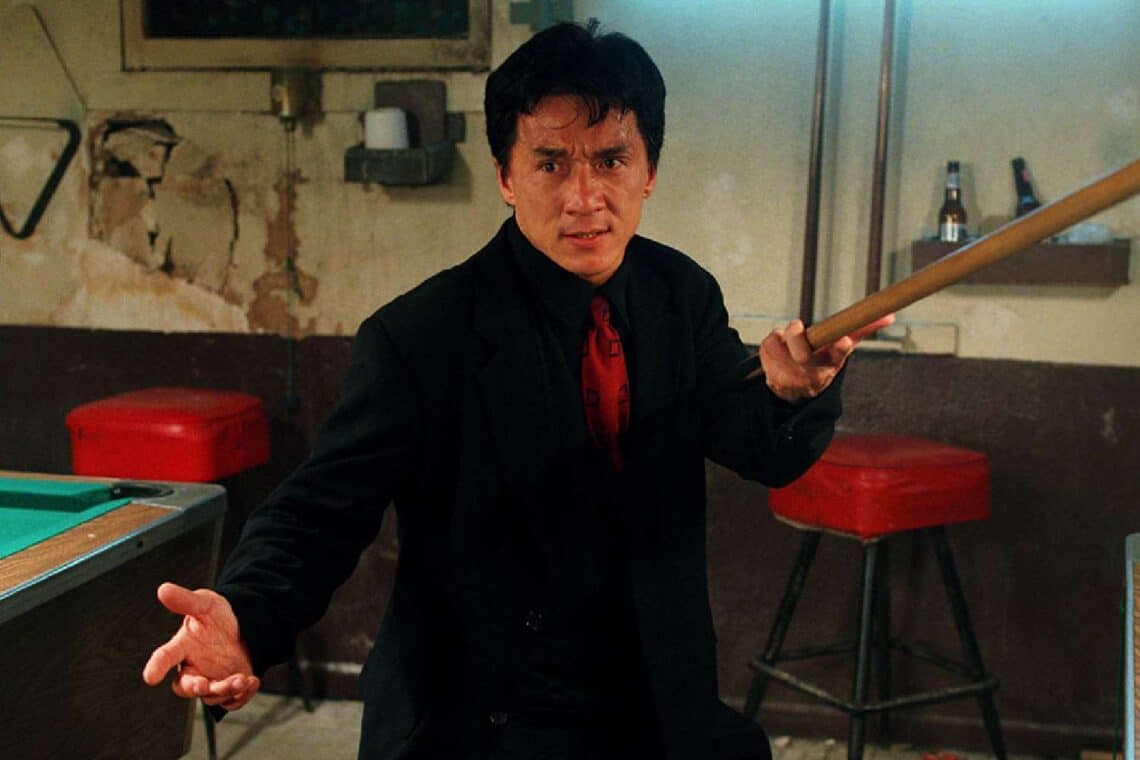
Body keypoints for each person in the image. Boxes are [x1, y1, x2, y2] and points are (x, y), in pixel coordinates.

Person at [143, 20, 891, 760]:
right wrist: (246, 613)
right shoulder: (423, 335)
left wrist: (794, 392)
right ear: (505, 176)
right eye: (551, 164)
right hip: (486, 717)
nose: (584, 197)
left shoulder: (680, 294)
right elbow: (321, 509)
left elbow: (753, 441)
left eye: (611, 160)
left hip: (655, 704)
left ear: (650, 172)